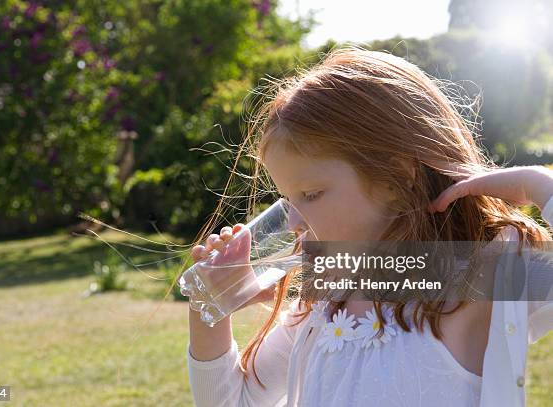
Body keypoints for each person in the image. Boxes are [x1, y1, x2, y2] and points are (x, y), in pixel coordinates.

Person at [185, 46, 553, 406]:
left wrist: (538, 186)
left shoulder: (481, 277)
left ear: (397, 177)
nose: (294, 222)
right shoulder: (326, 299)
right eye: (287, 200)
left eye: (311, 194)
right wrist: (210, 310)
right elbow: (236, 401)